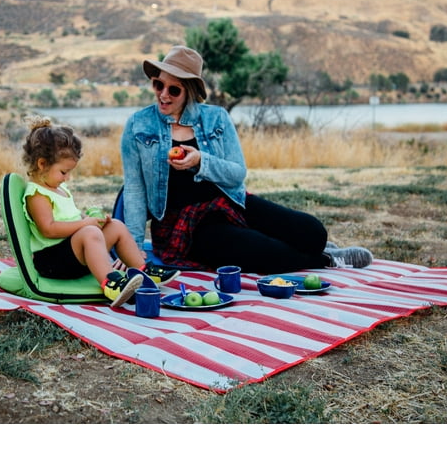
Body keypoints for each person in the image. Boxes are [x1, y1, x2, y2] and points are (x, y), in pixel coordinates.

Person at [120, 45, 374, 274]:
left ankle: (314, 247)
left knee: (313, 232)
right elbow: (134, 188)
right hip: (184, 226)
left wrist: (201, 162)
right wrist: (130, 244)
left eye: (173, 89)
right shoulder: (138, 124)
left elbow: (237, 173)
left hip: (229, 201)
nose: (163, 94)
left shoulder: (216, 118)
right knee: (267, 254)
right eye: (158, 84)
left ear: (190, 91)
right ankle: (325, 259)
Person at [21, 117, 179, 307]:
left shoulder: (56, 187)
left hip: (72, 253)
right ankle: (111, 284)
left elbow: (70, 219)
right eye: (64, 172)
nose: (67, 178)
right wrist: (86, 224)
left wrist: (90, 219)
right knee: (90, 232)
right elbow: (49, 229)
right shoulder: (37, 194)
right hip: (52, 262)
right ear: (42, 164)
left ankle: (144, 271)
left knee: (116, 226)